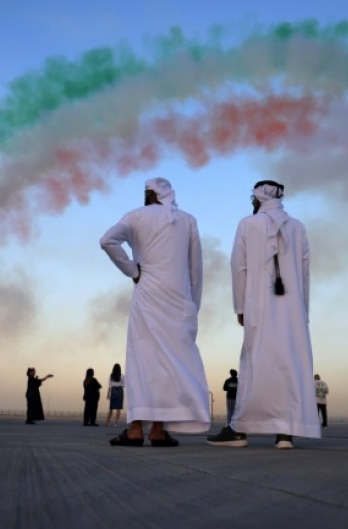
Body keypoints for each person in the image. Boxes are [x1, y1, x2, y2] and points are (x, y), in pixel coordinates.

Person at [207, 180, 319, 450]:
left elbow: (239, 267)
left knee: (255, 363)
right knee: (289, 364)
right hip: (292, 309)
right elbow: (304, 272)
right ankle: (285, 433)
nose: (251, 203)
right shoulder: (298, 227)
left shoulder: (248, 224)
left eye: (252, 198)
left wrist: (240, 307)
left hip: (258, 305)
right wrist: (303, 310)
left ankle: (239, 430)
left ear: (259, 198)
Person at [101, 177, 211, 447]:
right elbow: (195, 267)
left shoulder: (136, 216)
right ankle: (159, 430)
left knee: (142, 361)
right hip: (178, 299)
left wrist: (133, 270)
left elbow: (107, 241)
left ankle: (137, 429)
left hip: (148, 295)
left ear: (151, 194)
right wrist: (193, 304)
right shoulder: (187, 220)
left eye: (145, 192)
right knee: (168, 365)